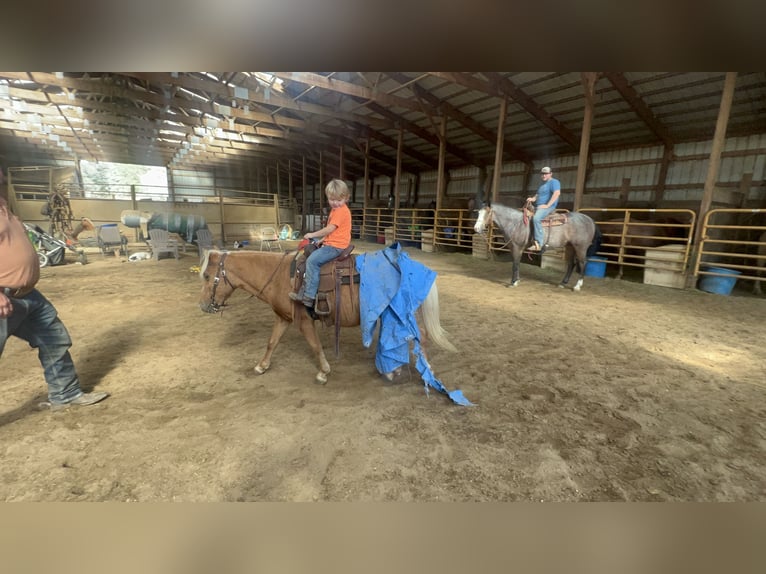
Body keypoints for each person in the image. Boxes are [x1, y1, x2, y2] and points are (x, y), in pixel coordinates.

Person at [0, 195, 109, 410]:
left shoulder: (4, 206)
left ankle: (65, 394)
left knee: (54, 340)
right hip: (3, 298)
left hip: (27, 294)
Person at [289, 179, 352, 309]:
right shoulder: (335, 210)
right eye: (331, 199)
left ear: (346, 198)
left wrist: (312, 235)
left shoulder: (341, 211)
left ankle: (309, 296)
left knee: (312, 261)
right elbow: (334, 231)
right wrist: (322, 239)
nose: (335, 203)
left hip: (336, 246)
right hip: (332, 242)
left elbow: (330, 228)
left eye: (338, 200)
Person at [526, 166, 561, 251]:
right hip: (539, 206)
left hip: (548, 207)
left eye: (546, 174)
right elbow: (537, 195)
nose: (544, 176)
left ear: (550, 174)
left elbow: (557, 193)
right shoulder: (542, 184)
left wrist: (547, 205)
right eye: (542, 174)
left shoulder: (554, 182)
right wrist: (532, 199)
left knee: (536, 218)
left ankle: (539, 243)